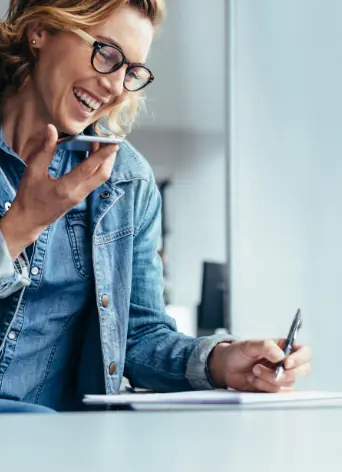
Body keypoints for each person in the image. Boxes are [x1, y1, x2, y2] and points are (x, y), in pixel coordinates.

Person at [0, 0, 311, 414]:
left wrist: (220, 361)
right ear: (39, 30)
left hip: (52, 439)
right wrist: (21, 225)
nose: (114, 86)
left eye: (130, 71)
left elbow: (139, 336)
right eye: (106, 53)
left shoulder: (127, 180)